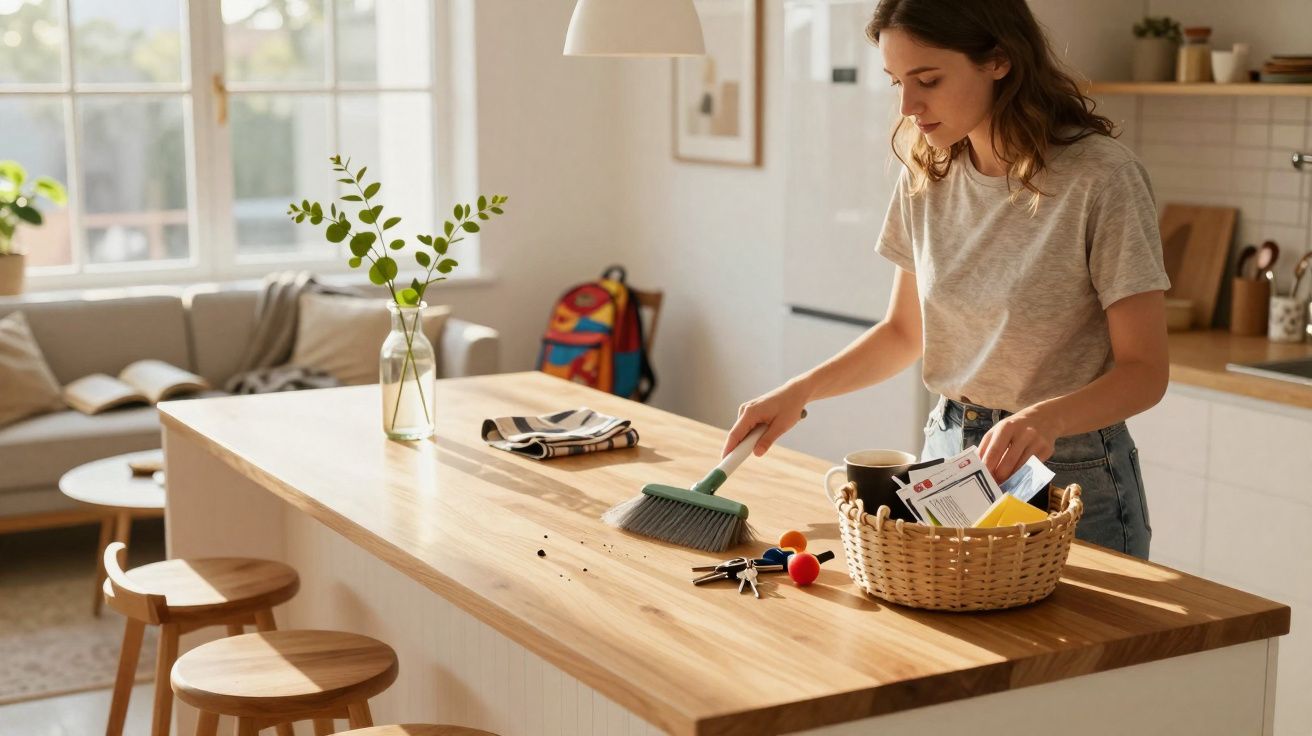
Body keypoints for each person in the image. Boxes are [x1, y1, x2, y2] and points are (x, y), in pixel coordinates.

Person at [722, 0, 1170, 559]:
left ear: (999, 61)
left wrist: (1046, 416)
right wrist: (800, 391)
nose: (908, 105)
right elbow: (903, 334)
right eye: (896, 82)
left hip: (1072, 473)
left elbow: (1145, 372)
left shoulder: (1102, 179)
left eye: (927, 79)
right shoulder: (927, 176)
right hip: (950, 458)